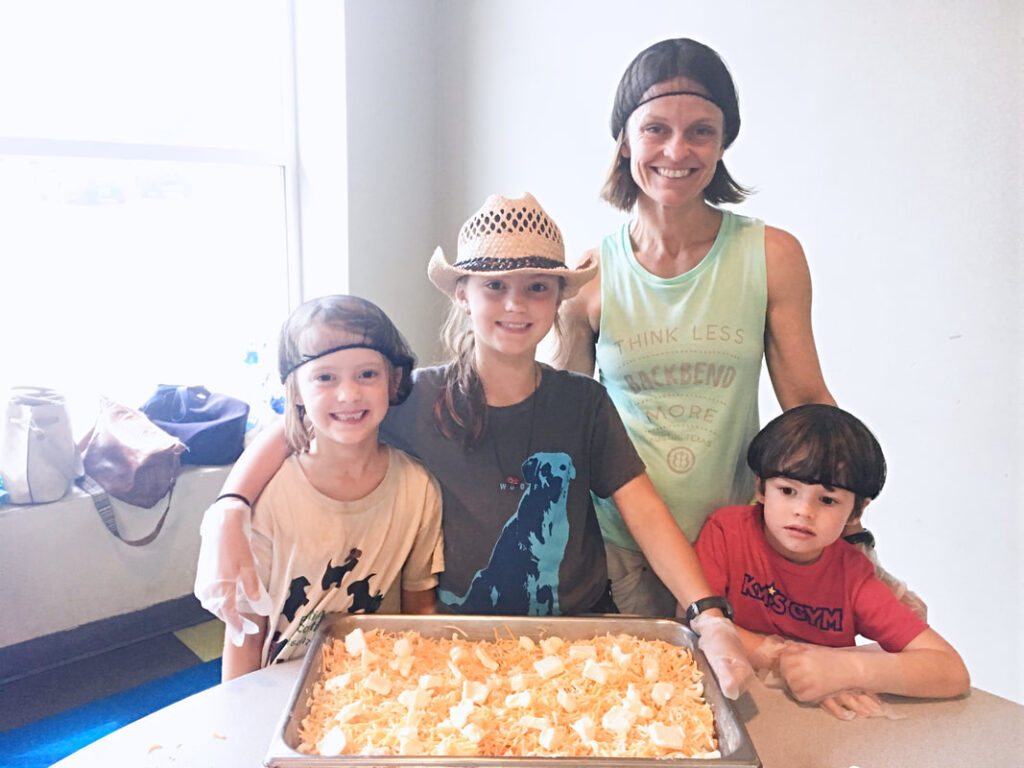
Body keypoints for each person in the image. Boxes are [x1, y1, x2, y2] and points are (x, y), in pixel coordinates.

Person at [196, 192, 753, 698]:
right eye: (495, 286)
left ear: (560, 296)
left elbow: (646, 512)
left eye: (537, 286)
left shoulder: (582, 402)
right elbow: (299, 426)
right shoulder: (412, 397)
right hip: (459, 644)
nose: (516, 305)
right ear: (463, 294)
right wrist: (229, 508)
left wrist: (708, 615)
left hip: (577, 637)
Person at [553, 37, 919, 619]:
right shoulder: (588, 277)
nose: (678, 149)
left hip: (737, 541)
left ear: (723, 143)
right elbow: (566, 426)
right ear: (624, 140)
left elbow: (805, 401)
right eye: (656, 129)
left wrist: (850, 524)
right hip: (618, 547)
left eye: (701, 130)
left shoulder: (771, 255)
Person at [212, 295, 443, 681]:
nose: (349, 394)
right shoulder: (269, 495)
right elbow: (244, 634)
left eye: (367, 374)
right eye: (325, 377)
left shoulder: (418, 489)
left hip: (380, 686)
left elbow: (419, 609)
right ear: (297, 391)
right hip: (281, 683)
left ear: (393, 380)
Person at [694, 404, 969, 719]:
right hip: (733, 704)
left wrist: (848, 669)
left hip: (823, 724)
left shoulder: (853, 576)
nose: (804, 511)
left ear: (856, 512)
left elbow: (951, 670)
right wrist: (783, 658)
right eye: (787, 490)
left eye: (827, 500)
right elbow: (696, 623)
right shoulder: (727, 533)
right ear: (760, 488)